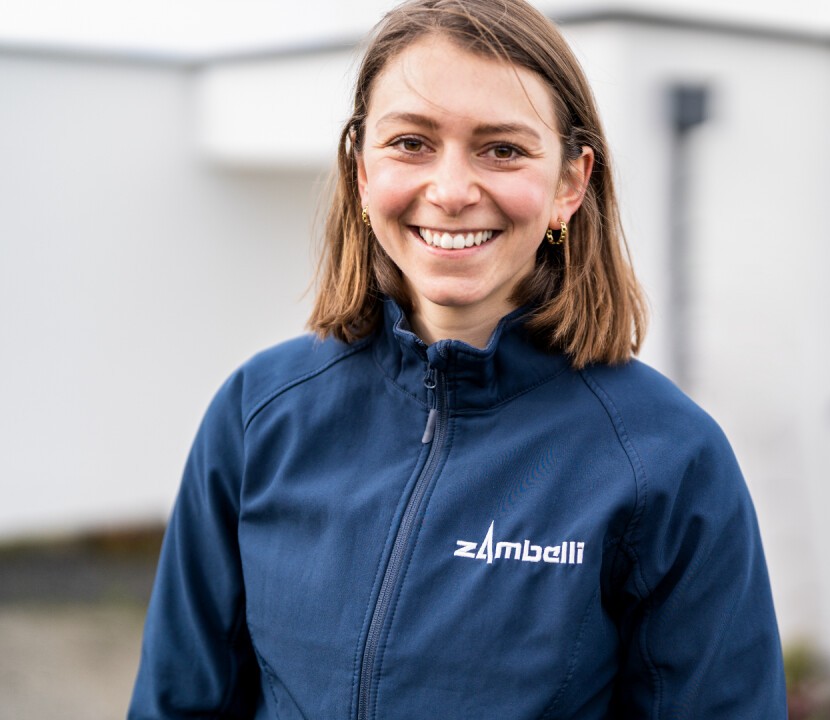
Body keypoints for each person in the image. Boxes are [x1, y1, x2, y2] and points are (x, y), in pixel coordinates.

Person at [128, 1, 786, 717]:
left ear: (571, 183)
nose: (450, 191)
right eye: (411, 143)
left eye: (502, 149)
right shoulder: (259, 413)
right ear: (359, 169)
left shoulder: (666, 457)